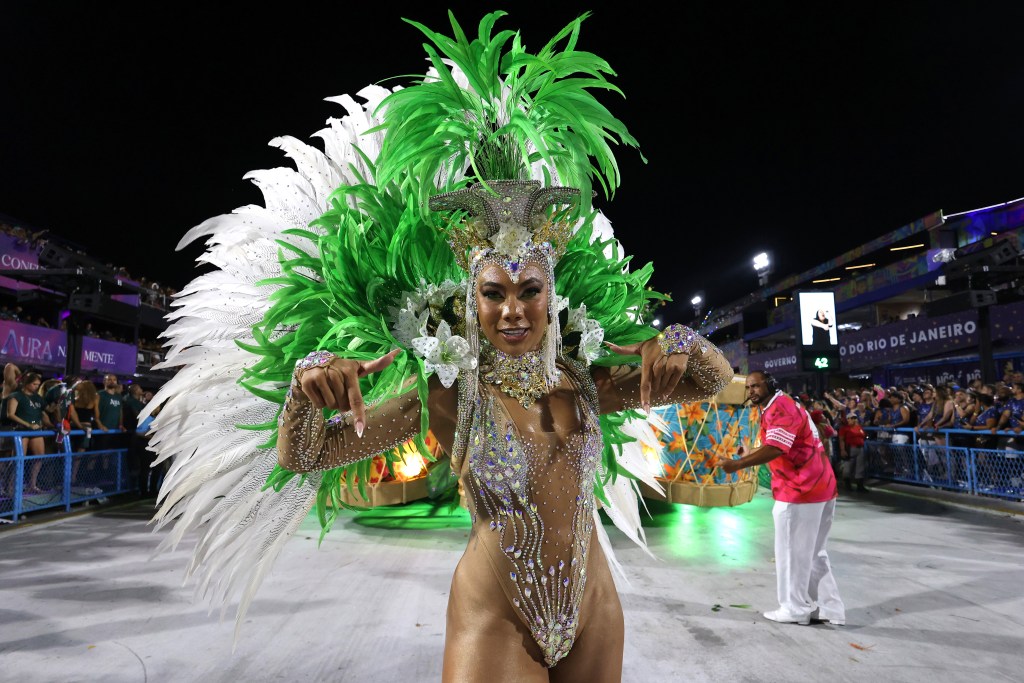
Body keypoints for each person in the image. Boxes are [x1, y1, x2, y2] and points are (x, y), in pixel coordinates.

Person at [145, 12, 733, 682]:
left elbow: (713, 379)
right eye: (493, 292)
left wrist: (679, 340)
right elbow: (306, 456)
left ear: (551, 294)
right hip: (497, 618)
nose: (512, 309)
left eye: (529, 289)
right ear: (471, 300)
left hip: (595, 610)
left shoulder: (587, 379)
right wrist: (306, 387)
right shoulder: (449, 390)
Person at [710, 371, 844, 627]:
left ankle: (794, 608)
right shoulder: (784, 403)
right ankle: (830, 608)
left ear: (770, 384)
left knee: (791, 553)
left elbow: (776, 448)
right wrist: (751, 452)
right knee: (814, 554)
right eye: (748, 387)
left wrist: (737, 465)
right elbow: (782, 443)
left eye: (756, 386)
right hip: (821, 487)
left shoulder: (779, 408)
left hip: (800, 490)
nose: (751, 391)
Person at [7, 372, 52, 493]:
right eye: (34, 384)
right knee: (18, 459)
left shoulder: (38, 398)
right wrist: (28, 424)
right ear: (26, 383)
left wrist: (59, 400)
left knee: (39, 456)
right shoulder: (16, 395)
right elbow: (10, 414)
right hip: (21, 430)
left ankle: (32, 485)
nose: (36, 387)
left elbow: (50, 409)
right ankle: (10, 487)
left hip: (36, 431)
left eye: (38, 385)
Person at [837, 413, 868, 491]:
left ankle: (860, 486)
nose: (853, 419)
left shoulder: (859, 427)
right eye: (851, 418)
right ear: (847, 419)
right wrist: (843, 450)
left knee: (860, 468)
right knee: (848, 467)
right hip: (850, 448)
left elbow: (863, 436)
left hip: (860, 448)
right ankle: (847, 485)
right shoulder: (844, 428)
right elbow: (841, 440)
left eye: (854, 418)